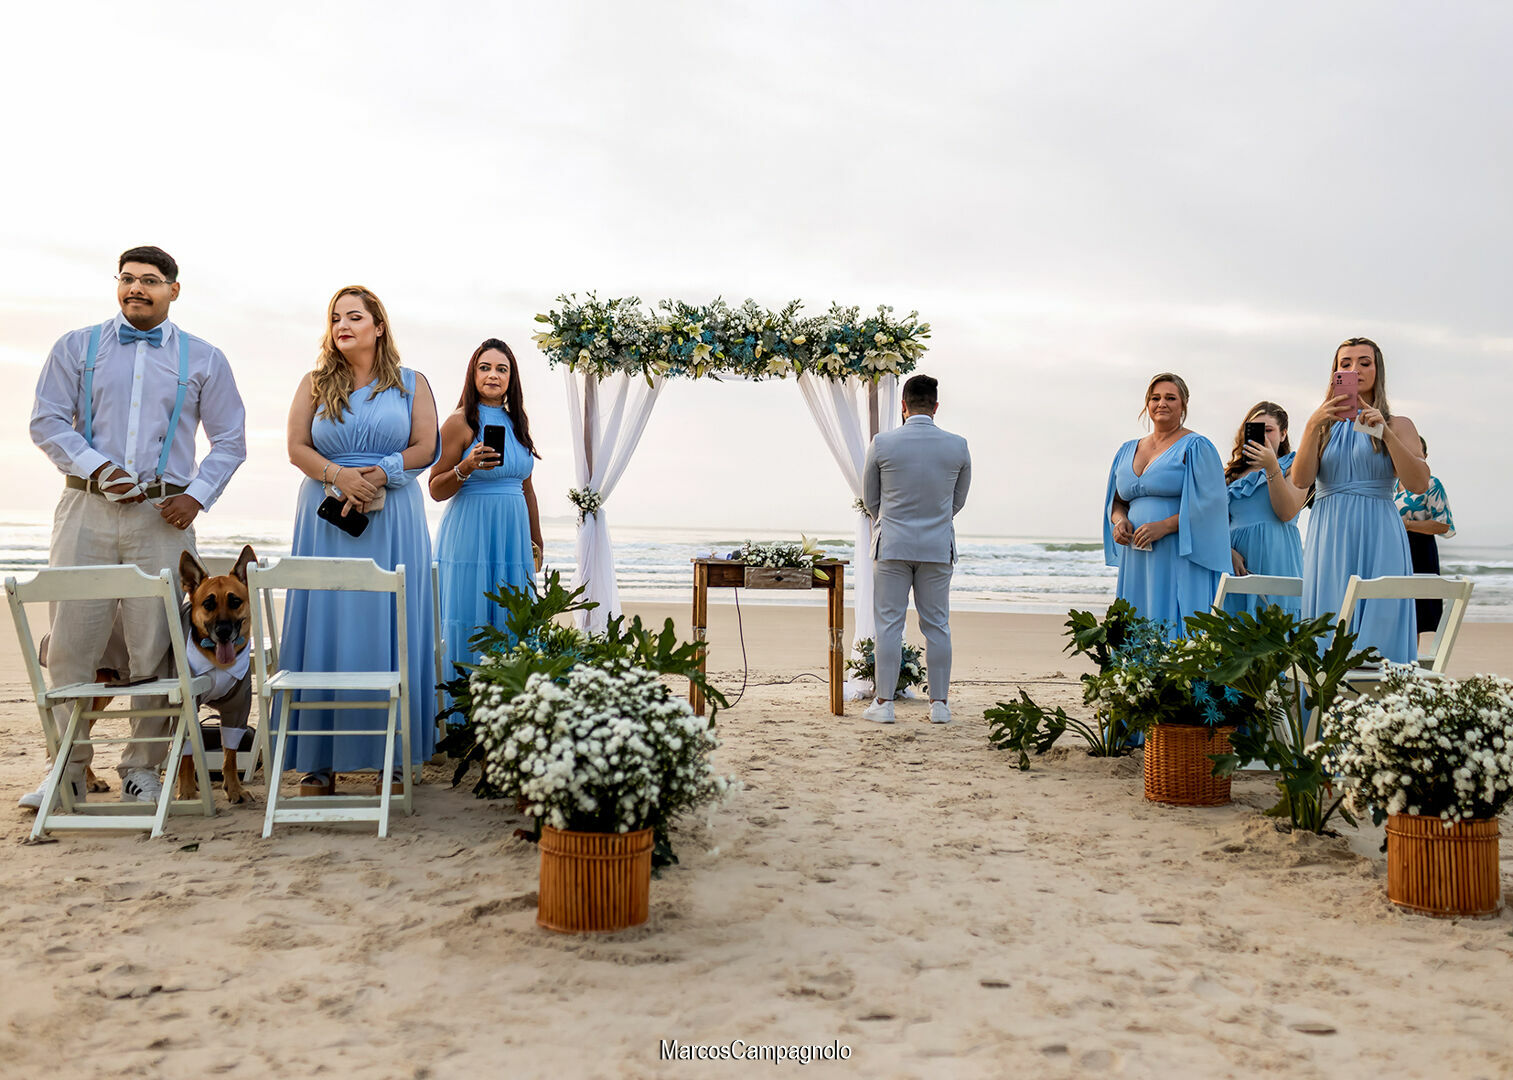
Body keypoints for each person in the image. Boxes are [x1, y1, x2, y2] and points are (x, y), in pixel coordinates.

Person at [24, 246, 246, 807]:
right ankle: (66, 768)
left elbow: (231, 440)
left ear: (174, 289)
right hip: (85, 510)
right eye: (127, 280)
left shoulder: (205, 358)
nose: (136, 289)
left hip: (162, 517)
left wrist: (196, 497)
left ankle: (142, 769)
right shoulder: (76, 346)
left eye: (149, 280)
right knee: (74, 644)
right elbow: (46, 421)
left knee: (157, 648)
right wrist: (98, 467)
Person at [279, 286, 439, 795]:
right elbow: (295, 448)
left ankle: (393, 757)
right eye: (335, 317)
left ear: (378, 326)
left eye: (354, 316)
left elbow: (426, 446)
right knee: (325, 622)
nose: (342, 324)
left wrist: (381, 472)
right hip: (326, 516)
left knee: (391, 627)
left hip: (393, 515)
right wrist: (337, 476)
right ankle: (319, 762)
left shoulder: (413, 383)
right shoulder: (313, 383)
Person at [1292, 337, 1428, 664]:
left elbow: (1418, 483)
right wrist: (1312, 426)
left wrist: (1385, 433)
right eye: (1346, 363)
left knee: (1380, 625)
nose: (1355, 369)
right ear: (1335, 372)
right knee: (1326, 624)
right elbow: (1300, 480)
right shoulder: (1322, 426)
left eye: (1365, 363)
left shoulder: (1399, 424)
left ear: (1378, 371)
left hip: (1380, 532)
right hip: (1330, 533)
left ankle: (1384, 711)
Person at [429, 338, 543, 699]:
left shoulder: (518, 421)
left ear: (512, 378)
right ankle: (462, 712)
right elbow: (435, 487)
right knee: (468, 617)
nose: (493, 375)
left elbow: (527, 488)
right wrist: (465, 466)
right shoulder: (459, 422)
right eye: (485, 367)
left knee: (511, 620)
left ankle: (508, 707)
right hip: (470, 534)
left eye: (501, 369)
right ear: (473, 374)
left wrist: (537, 540)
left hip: (512, 536)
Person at [860, 374, 971, 725]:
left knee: (889, 626)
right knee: (937, 625)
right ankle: (939, 704)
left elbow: (870, 499)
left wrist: (891, 521)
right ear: (936, 407)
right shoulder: (958, 445)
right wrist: (934, 520)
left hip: (892, 544)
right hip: (937, 547)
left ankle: (884, 702)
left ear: (904, 406)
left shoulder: (882, 443)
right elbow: (958, 501)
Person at [1103, 373, 1229, 638]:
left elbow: (1212, 506)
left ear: (1183, 404)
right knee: (1137, 621)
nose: (1162, 403)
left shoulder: (1196, 446)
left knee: (1176, 620)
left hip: (1178, 550)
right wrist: (1119, 521)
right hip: (1136, 554)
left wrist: (1164, 526)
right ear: (1147, 404)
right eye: (1155, 398)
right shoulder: (1127, 449)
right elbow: (1117, 501)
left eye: (1170, 398)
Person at [1221, 401, 1307, 617]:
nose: (1264, 437)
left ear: (1283, 434)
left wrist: (1271, 466)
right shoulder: (1232, 475)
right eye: (1256, 430)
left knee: (1276, 622)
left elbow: (1286, 512)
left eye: (1269, 430)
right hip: (1236, 564)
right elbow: (1215, 523)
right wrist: (1225, 550)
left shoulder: (1294, 466)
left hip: (1277, 557)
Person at [1394, 435, 1454, 635]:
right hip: (1391, 547)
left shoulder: (1432, 484)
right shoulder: (1389, 485)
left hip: (1418, 549)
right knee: (1392, 611)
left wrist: (1409, 525)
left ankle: (1408, 664)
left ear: (1425, 456)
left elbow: (1444, 525)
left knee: (1414, 619)